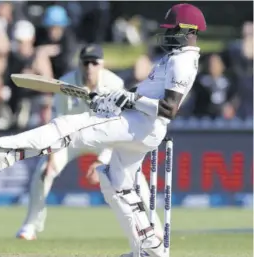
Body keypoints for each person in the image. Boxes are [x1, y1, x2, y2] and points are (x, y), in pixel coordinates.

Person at [0, 4, 206, 257]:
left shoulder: (183, 61)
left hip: (141, 124)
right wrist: (113, 98)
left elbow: (169, 108)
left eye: (171, 29)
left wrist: (129, 101)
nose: (166, 34)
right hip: (141, 126)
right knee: (115, 182)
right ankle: (148, 251)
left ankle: (8, 151)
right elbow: (142, 94)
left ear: (189, 30)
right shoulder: (173, 58)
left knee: (69, 125)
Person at [13, 44, 163, 242]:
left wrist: (102, 160)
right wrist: (50, 154)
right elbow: (57, 121)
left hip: (106, 137)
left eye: (94, 62)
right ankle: (30, 225)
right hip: (72, 138)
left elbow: (118, 126)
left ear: (101, 64)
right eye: (86, 62)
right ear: (80, 64)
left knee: (134, 176)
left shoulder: (114, 83)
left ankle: (155, 227)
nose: (90, 67)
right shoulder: (65, 84)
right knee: (43, 173)